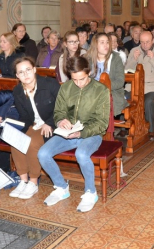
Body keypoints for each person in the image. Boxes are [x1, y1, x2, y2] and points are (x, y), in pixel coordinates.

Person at [38, 56, 110, 212]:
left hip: (91, 133)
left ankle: (91, 192)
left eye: (82, 79)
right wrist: (60, 121)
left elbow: (102, 124)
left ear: (89, 72)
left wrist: (81, 133)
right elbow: (58, 112)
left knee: (82, 154)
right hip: (68, 133)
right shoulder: (66, 88)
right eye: (74, 80)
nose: (78, 83)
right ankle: (61, 188)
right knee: (43, 153)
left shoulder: (101, 90)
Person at [11, 57, 60, 199]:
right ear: (17, 76)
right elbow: (24, 116)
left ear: (34, 69)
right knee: (17, 140)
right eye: (21, 72)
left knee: (32, 143)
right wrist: (17, 129)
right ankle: (23, 180)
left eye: (28, 70)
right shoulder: (18, 91)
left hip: (53, 124)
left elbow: (62, 108)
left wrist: (50, 122)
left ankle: (33, 182)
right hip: (34, 124)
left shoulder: (49, 84)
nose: (25, 74)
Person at [125, 31, 154, 139]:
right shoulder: (134, 51)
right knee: (125, 99)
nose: (144, 45)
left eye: (147, 42)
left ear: (153, 40)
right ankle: (128, 127)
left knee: (148, 101)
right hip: (134, 86)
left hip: (151, 86)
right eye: (142, 42)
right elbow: (126, 71)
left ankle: (151, 129)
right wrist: (133, 60)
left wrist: (153, 59)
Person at [86, 33, 128, 116]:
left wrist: (105, 86)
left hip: (112, 92)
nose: (106, 45)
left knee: (100, 100)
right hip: (92, 92)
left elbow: (120, 81)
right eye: (102, 42)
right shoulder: (88, 59)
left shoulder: (116, 58)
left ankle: (101, 127)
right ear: (95, 45)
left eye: (107, 42)